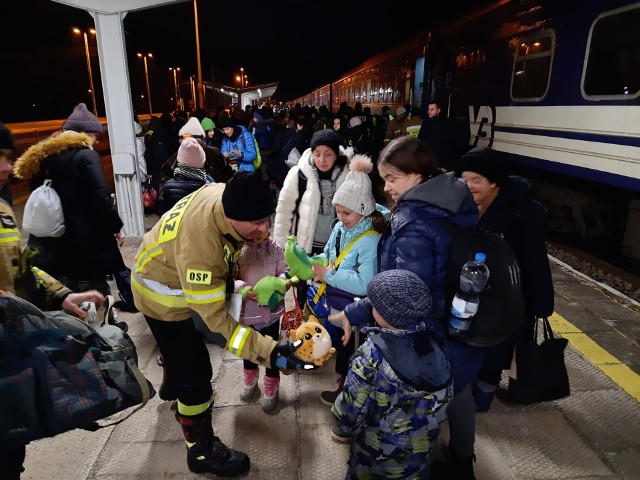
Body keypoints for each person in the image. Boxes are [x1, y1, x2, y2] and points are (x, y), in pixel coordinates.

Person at [330, 135, 481, 479]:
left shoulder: (414, 222)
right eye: (384, 178)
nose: (387, 187)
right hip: (447, 320)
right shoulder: (446, 202)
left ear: (419, 176)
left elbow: (403, 293)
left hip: (421, 328)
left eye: (393, 179)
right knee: (454, 398)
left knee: (409, 404)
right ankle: (455, 460)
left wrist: (355, 312)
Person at [131, 172, 300, 477]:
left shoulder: (226, 196)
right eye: (256, 224)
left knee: (181, 357)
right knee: (197, 375)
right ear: (231, 216)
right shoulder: (202, 247)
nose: (264, 230)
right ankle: (201, 451)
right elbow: (217, 325)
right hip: (162, 296)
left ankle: (173, 372)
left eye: (266, 219)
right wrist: (272, 354)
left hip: (170, 269)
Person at [0, 121, 107, 480]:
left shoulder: (1, 208)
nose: (6, 167)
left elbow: (22, 266)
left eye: (7, 156)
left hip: (7, 351)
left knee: (11, 454)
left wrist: (61, 294)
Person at [456, 147, 554, 411]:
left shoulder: (522, 214)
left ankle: (483, 399)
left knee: (496, 351)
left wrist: (541, 304)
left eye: (476, 180)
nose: (469, 186)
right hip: (474, 293)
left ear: (494, 182)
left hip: (508, 299)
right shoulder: (464, 206)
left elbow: (534, 261)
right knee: (474, 344)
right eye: (464, 179)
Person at [331, 269, 453, 480]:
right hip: (419, 457)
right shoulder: (438, 345)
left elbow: (350, 412)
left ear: (384, 314)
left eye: (374, 304)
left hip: (375, 459)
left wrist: (342, 429)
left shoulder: (372, 357)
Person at [13, 103, 127, 297]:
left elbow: (36, 189)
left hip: (55, 235)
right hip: (87, 238)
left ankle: (76, 320)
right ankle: (102, 321)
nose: (96, 141)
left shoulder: (45, 156)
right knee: (95, 287)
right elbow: (101, 197)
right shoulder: (86, 156)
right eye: (95, 135)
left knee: (68, 287)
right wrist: (116, 226)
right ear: (83, 132)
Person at [310, 154, 387, 406]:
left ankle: (350, 395)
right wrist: (316, 262)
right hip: (336, 302)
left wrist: (329, 274)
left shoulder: (370, 240)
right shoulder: (340, 228)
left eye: (347, 213)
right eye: (338, 211)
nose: (341, 217)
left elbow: (366, 282)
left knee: (353, 352)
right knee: (341, 351)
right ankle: (344, 385)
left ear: (364, 210)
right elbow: (330, 253)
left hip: (356, 312)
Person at [234, 223, 287, 411]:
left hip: (270, 313)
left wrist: (283, 281)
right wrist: (242, 288)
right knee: (247, 347)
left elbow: (283, 269)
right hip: (247, 311)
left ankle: (272, 382)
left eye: (264, 237)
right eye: (255, 237)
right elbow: (228, 276)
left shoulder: (276, 248)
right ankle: (250, 375)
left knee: (271, 349)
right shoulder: (237, 250)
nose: (261, 241)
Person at [273, 129, 353, 255]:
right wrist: (280, 246)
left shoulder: (348, 175)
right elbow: (284, 210)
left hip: (338, 248)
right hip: (305, 248)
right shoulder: (299, 175)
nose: (322, 160)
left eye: (328, 154)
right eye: (317, 154)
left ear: (336, 154)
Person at [157, 137, 211, 215]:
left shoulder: (168, 187)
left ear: (179, 159)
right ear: (202, 160)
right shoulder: (209, 185)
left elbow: (164, 215)